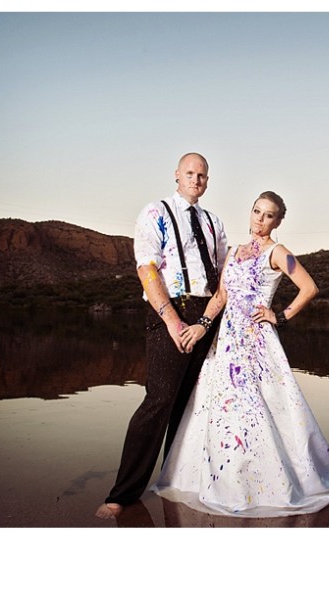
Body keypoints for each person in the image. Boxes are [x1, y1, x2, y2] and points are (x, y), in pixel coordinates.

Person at [150, 191, 329, 517]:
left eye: (269, 215)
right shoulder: (235, 252)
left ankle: (264, 483)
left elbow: (309, 288)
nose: (260, 219)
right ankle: (224, 478)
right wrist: (202, 325)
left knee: (261, 406)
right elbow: (221, 296)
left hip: (256, 341)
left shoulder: (277, 251)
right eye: (257, 211)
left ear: (278, 220)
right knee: (221, 408)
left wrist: (279, 316)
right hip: (226, 340)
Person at [96, 152, 228, 519]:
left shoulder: (214, 222)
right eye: (189, 173)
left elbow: (222, 275)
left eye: (202, 174)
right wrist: (172, 320)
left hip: (206, 315)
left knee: (191, 406)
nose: (196, 179)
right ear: (176, 175)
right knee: (159, 401)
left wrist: (209, 321)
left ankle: (175, 480)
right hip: (171, 310)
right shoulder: (156, 213)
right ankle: (122, 493)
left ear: (208, 179)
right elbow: (146, 267)